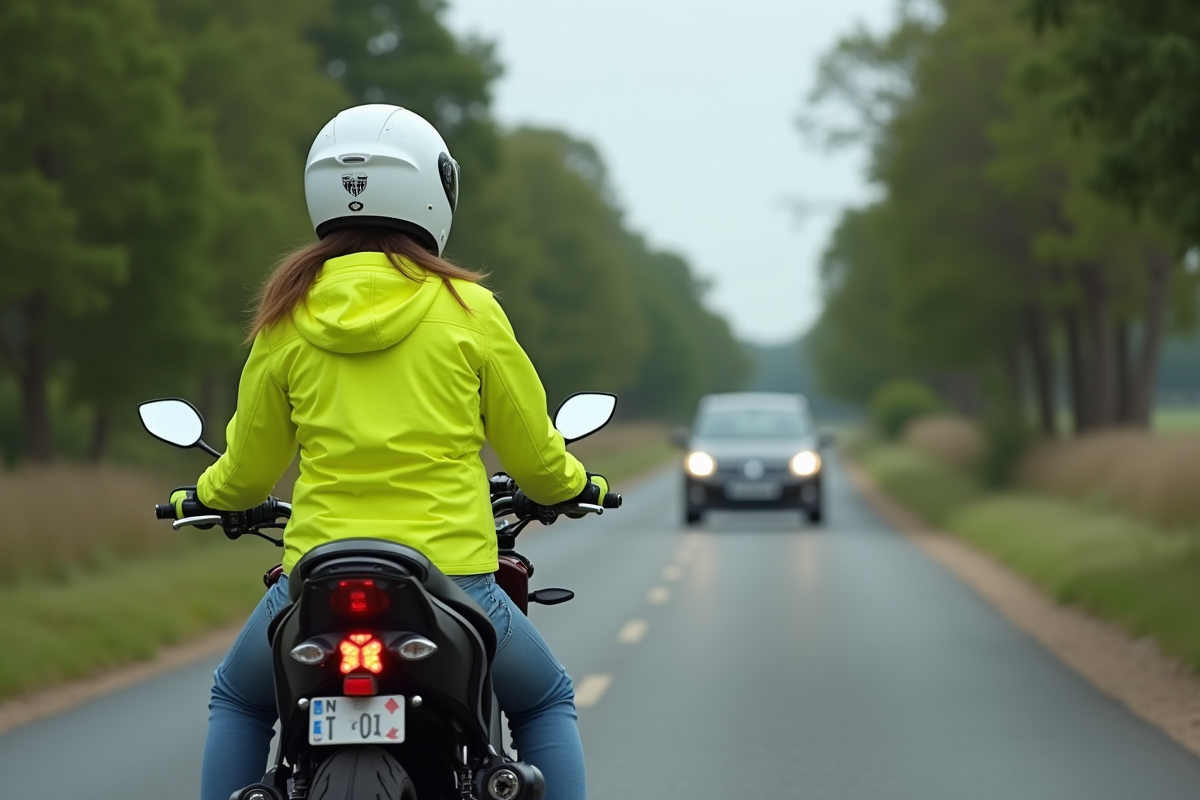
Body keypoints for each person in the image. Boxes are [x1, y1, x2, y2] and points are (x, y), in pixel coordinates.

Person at [188, 104, 606, 800]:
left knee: (239, 699)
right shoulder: (468, 308)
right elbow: (534, 457)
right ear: (434, 190)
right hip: (457, 580)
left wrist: (203, 496)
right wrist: (570, 483)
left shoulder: (287, 311)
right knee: (544, 701)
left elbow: (247, 472)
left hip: (316, 579)